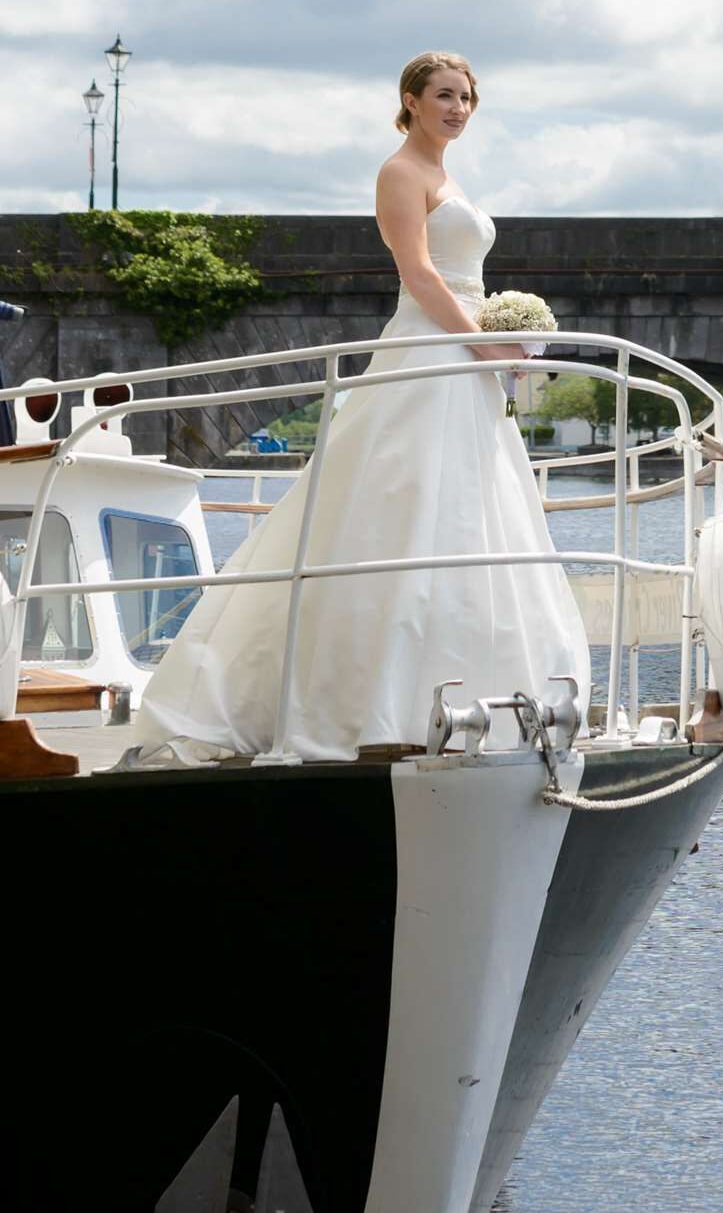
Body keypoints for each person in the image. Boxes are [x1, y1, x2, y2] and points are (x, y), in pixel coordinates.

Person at [136, 52, 590, 759]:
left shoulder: (447, 176)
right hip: (431, 346)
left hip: (464, 354)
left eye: (466, 98)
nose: (457, 109)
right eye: (443, 96)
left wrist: (501, 339)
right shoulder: (400, 172)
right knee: (397, 502)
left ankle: (475, 689)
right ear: (408, 100)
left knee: (469, 513)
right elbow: (418, 272)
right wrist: (483, 345)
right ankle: (364, 704)